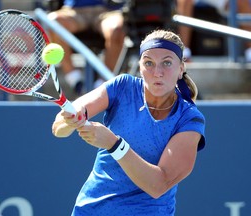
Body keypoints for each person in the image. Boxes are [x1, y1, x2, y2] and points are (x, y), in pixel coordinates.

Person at [52, 29, 206, 215]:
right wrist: (71, 120)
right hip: (91, 210)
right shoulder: (122, 86)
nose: (157, 72)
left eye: (166, 63)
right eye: (149, 63)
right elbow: (59, 127)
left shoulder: (189, 118)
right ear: (140, 66)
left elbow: (158, 185)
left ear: (181, 68)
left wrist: (113, 144)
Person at [47, 0, 125, 94]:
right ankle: (75, 81)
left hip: (106, 11)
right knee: (53, 22)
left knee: (116, 30)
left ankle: (103, 86)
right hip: (72, 11)